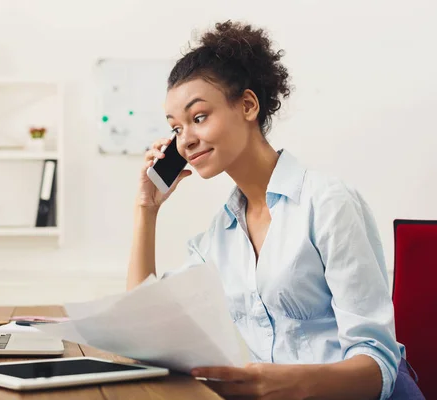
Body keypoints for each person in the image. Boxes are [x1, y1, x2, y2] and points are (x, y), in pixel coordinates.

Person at [127, 20, 424, 400]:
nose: (186, 140)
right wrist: (145, 210)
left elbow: (377, 367)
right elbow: (140, 325)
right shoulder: (221, 234)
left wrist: (275, 383)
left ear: (248, 105)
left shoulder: (328, 203)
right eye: (176, 127)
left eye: (198, 117)